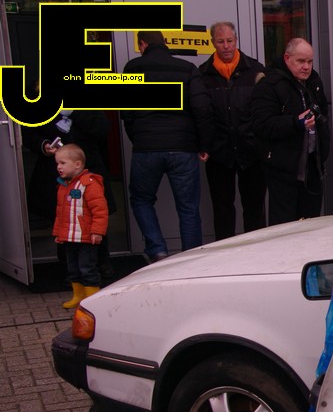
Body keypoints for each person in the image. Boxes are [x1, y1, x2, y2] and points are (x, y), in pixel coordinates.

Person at [122, 31, 213, 262]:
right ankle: (190, 259)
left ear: (143, 44)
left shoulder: (133, 68)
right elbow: (202, 109)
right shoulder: (187, 68)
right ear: (164, 43)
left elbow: (127, 112)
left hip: (146, 146)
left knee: (141, 199)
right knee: (188, 207)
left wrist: (139, 138)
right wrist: (203, 144)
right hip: (182, 148)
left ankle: (158, 250)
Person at [21, 82, 118, 278]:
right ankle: (68, 266)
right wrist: (44, 145)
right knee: (62, 215)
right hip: (55, 171)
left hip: (88, 169)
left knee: (94, 212)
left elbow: (101, 129)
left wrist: (74, 112)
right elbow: (28, 133)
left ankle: (102, 261)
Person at [199, 21, 267, 240]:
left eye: (230, 40)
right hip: (219, 151)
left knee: (254, 208)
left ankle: (256, 251)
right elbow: (201, 112)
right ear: (213, 42)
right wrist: (205, 144)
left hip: (251, 150)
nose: (226, 46)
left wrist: (260, 141)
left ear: (236, 40)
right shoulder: (203, 74)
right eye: (221, 41)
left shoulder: (255, 69)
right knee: (222, 209)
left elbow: (264, 109)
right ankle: (225, 252)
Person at [252, 38, 331, 224]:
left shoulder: (314, 81)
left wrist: (322, 142)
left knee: (311, 223)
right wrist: (295, 122)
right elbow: (262, 125)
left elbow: (324, 114)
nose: (306, 67)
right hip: (283, 170)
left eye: (310, 61)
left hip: (312, 166)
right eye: (301, 61)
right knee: (285, 225)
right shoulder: (270, 84)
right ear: (287, 58)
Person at [52, 144, 109, 309]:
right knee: (73, 268)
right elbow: (60, 213)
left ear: (77, 164)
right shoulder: (63, 185)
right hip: (70, 237)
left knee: (87, 268)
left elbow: (100, 210)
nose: (59, 167)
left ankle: (93, 301)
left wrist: (97, 231)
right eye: (57, 163)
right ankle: (78, 296)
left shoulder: (89, 184)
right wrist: (58, 233)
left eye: (63, 163)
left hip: (86, 237)